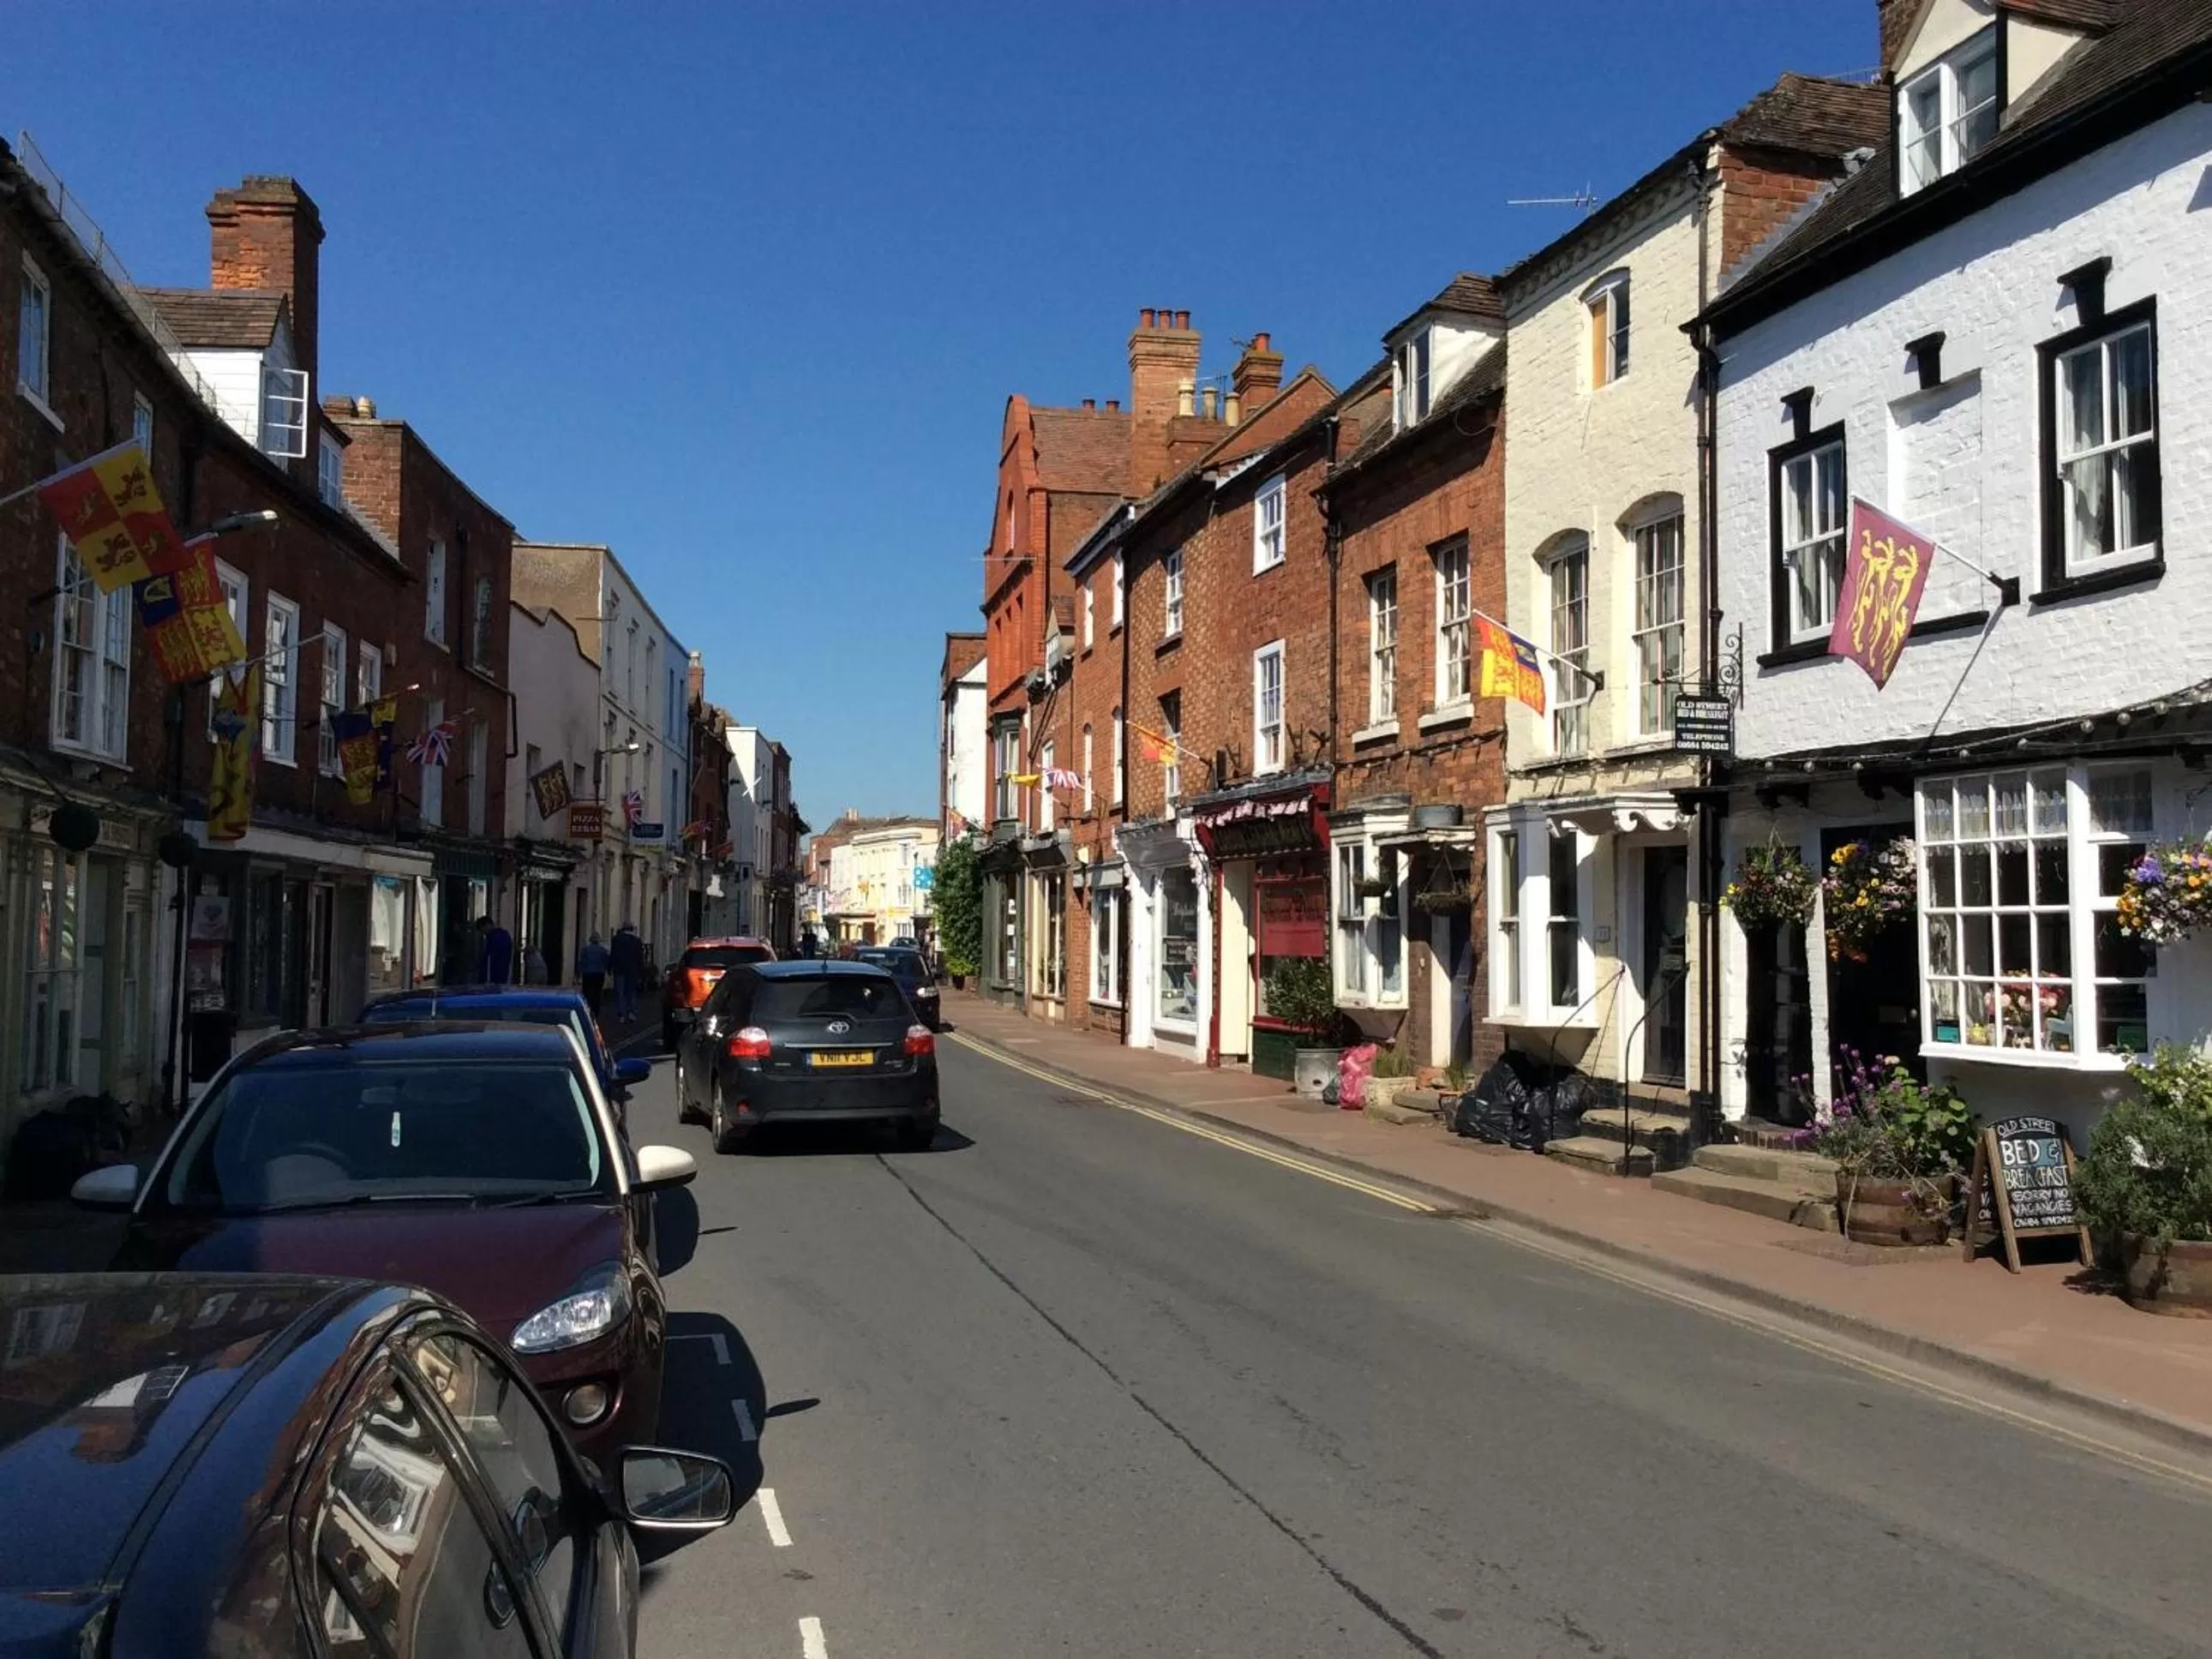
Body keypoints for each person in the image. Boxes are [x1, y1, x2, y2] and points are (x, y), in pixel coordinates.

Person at [608, 921, 644, 1023]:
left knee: (619, 993)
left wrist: (610, 967)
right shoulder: (637, 941)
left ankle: (621, 1015)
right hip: (633, 970)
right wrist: (641, 971)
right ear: (632, 929)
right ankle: (631, 1013)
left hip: (619, 969)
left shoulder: (616, 940)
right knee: (631, 992)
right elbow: (640, 957)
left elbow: (613, 954)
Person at [476, 914, 515, 986]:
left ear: (487, 925)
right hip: (503, 973)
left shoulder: (494, 938)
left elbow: (490, 958)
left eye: (483, 929)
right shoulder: (504, 935)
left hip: (493, 976)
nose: (484, 933)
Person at [578, 931, 610, 1019]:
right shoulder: (603, 951)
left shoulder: (585, 950)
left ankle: (586, 1009)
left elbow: (581, 962)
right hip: (599, 974)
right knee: (597, 993)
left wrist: (579, 973)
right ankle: (595, 1012)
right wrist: (608, 971)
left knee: (587, 993)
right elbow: (606, 962)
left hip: (587, 974)